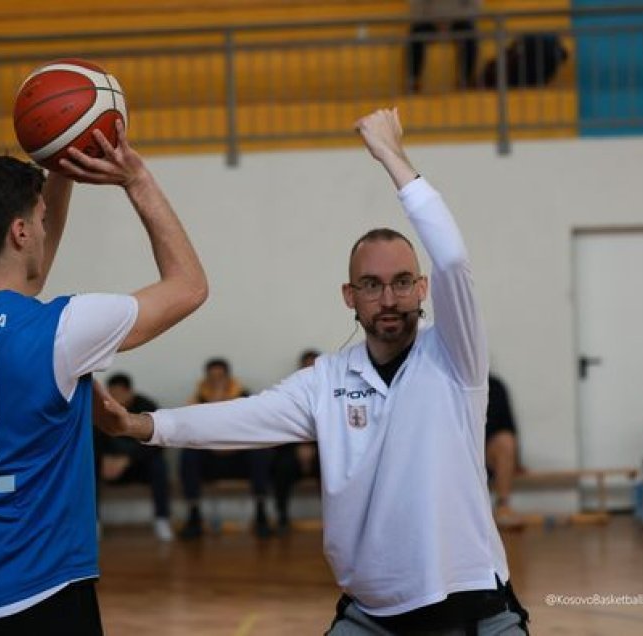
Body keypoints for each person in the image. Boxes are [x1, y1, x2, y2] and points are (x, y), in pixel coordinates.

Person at [100, 109, 529, 633]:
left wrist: (391, 155)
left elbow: (453, 257)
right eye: (371, 285)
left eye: (401, 282)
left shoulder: (456, 357)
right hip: (372, 616)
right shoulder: (327, 380)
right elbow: (243, 419)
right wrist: (140, 426)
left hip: (476, 610)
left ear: (423, 288)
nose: (388, 297)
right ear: (350, 297)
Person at [0, 122, 207, 635]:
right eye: (39, 222)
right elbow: (189, 285)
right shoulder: (61, 333)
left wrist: (57, 172)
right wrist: (137, 180)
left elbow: (22, 282)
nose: (45, 230)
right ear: (20, 232)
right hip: (39, 592)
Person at [178, 358, 274, 539]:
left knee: (260, 452)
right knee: (188, 454)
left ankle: (261, 514)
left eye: (220, 377)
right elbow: (191, 431)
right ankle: (194, 515)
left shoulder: (244, 396)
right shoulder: (197, 398)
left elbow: (253, 428)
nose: (216, 381)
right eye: (212, 378)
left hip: (238, 457)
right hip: (210, 459)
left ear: (228, 377)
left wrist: (232, 444)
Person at [91, 373, 173, 541]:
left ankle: (162, 519)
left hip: (137, 466)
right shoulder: (100, 409)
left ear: (129, 392)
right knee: (87, 468)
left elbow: (157, 444)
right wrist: (105, 459)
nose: (114, 398)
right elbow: (90, 440)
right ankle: (94, 522)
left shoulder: (146, 407)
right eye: (111, 393)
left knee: (159, 465)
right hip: (107, 467)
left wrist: (127, 460)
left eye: (119, 393)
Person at [272, 349, 321, 533]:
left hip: (322, 451)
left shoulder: (335, 391)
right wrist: (299, 447)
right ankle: (282, 516)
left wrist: (314, 448)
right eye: (307, 366)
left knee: (332, 466)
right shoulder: (291, 391)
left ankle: (336, 519)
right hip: (292, 449)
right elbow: (280, 424)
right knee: (282, 467)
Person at [406, 0, 481, 92]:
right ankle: (413, 80)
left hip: (459, 20)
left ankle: (465, 80)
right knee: (416, 34)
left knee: (469, 34)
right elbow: (416, 5)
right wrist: (434, 20)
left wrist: (452, 20)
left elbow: (475, 4)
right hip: (429, 21)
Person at [486, 372, 525, 529]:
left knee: (505, 441)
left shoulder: (495, 387)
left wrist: (517, 461)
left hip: (484, 450)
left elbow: (508, 426)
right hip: (457, 448)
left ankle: (503, 506)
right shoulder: (445, 385)